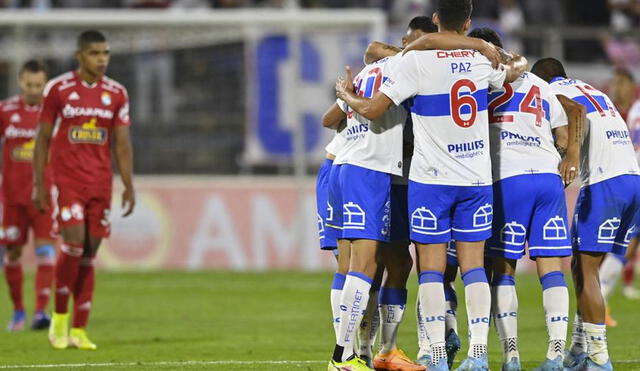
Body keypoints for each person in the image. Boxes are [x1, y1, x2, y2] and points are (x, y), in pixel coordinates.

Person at [335, 1, 526, 369]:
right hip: (476, 179)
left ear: (435, 19)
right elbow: (516, 67)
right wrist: (484, 47)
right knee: (473, 268)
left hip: (430, 181)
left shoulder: (415, 61)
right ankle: (478, 356)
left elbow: (374, 109)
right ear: (468, 22)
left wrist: (346, 95)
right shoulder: (482, 60)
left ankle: (436, 355)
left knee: (432, 270)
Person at [468, 28, 583, 371]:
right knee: (552, 270)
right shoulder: (540, 84)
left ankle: (512, 356)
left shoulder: (480, 79)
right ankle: (555, 354)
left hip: (508, 179)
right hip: (547, 179)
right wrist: (567, 154)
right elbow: (563, 135)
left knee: (503, 270)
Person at [532, 58, 640, 371]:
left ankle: (598, 358)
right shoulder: (593, 90)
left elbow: (577, 114)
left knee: (585, 268)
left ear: (542, 80)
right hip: (633, 180)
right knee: (588, 267)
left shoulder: (552, 93)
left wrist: (573, 154)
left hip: (605, 183)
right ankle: (579, 348)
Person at [33, 30, 135, 350]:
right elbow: (43, 139)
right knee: (73, 244)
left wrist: (129, 185)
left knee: (89, 255)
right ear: (80, 56)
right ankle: (59, 319)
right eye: (94, 53)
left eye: (105, 53)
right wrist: (39, 183)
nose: (101, 59)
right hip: (67, 181)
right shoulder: (59, 89)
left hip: (100, 183)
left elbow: (121, 143)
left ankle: (79, 330)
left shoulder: (117, 93)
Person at [0, 60, 56, 332]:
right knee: (12, 254)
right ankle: (19, 311)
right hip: (11, 199)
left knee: (46, 251)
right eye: (29, 84)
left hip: (42, 196)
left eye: (39, 84)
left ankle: (40, 313)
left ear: (45, 83)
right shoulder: (5, 111)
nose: (34, 89)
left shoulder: (54, 113)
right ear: (20, 82)